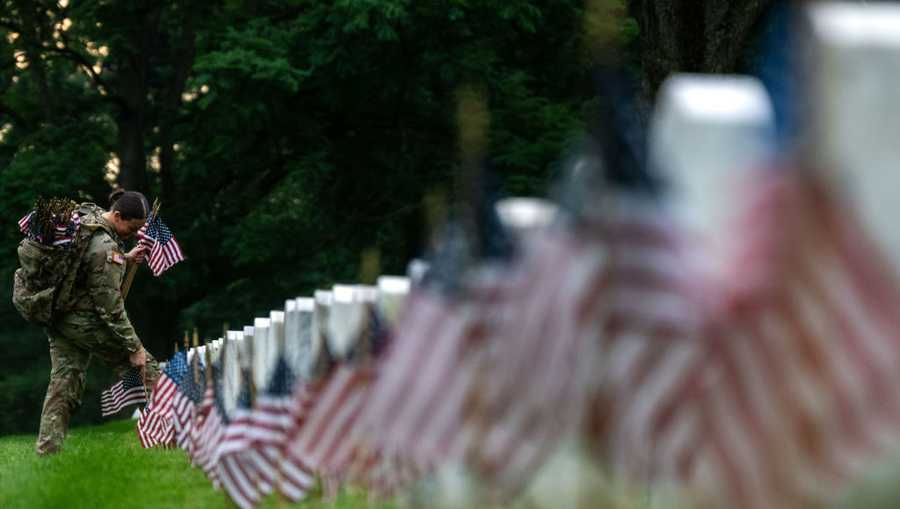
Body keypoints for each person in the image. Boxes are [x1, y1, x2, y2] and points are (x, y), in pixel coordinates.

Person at [35, 189, 161, 456]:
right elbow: (111, 308)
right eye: (132, 227)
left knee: (63, 384)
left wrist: (125, 260)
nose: (135, 233)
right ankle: (178, 434)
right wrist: (134, 347)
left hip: (59, 318)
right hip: (83, 322)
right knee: (148, 369)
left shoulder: (88, 219)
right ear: (116, 215)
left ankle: (47, 451)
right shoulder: (105, 247)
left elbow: (85, 271)